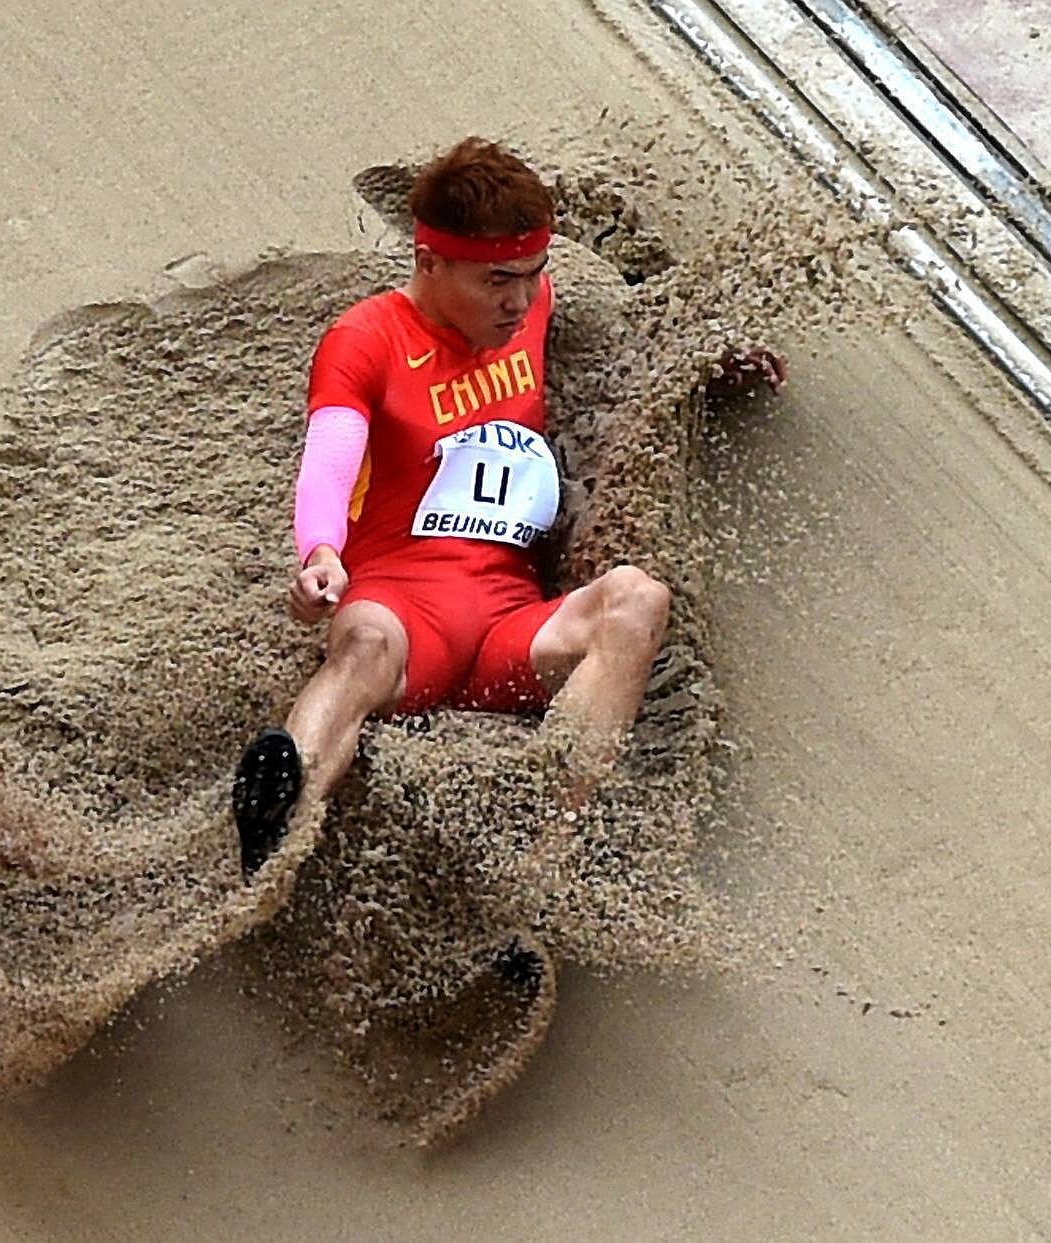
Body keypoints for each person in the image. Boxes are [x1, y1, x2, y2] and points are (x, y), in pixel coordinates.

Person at [233, 137, 784, 877]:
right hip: (402, 615)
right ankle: (276, 817)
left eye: (532, 275)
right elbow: (328, 458)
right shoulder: (365, 340)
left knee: (636, 599)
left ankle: (542, 857)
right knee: (360, 644)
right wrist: (320, 555)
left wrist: (701, 365)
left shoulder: (531, 309)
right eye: (497, 281)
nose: (519, 301)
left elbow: (625, 337)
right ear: (430, 261)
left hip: (507, 629)